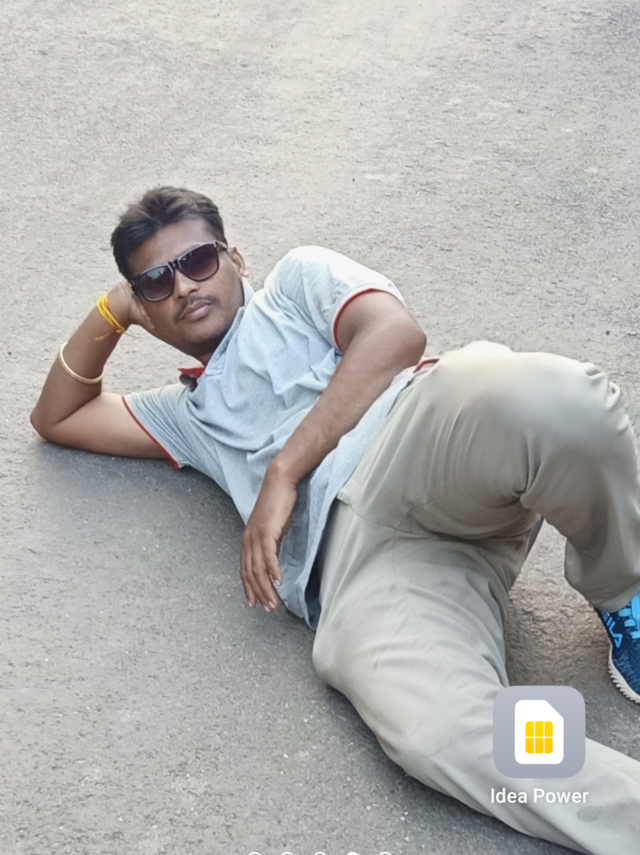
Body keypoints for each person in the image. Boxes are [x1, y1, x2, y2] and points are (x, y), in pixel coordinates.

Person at [30, 186, 640, 854]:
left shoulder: (295, 285)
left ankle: (624, 592)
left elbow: (395, 335)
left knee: (558, 402)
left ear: (235, 258)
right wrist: (112, 310)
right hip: (361, 569)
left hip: (422, 441)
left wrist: (284, 472)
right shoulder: (185, 416)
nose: (183, 286)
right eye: (156, 281)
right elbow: (59, 416)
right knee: (439, 732)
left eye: (198, 261)